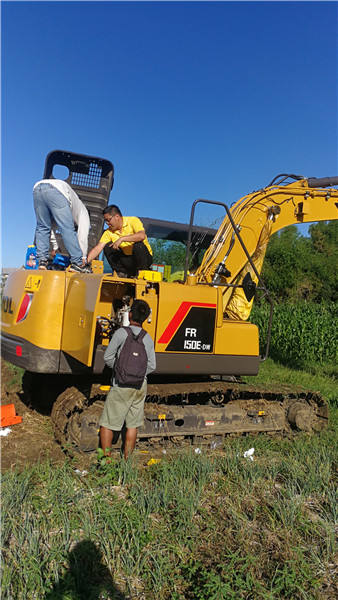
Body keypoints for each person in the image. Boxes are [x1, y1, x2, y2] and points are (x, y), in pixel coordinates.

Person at [99, 299, 156, 459]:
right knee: (132, 425)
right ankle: (128, 462)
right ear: (145, 319)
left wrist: (120, 370)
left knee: (108, 423)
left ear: (130, 314)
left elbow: (108, 357)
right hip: (139, 385)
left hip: (121, 383)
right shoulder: (147, 338)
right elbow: (152, 365)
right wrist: (138, 374)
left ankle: (106, 461)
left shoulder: (121, 333)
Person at [33, 179, 90, 273]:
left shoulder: (70, 208)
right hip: (57, 190)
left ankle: (42, 261)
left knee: (42, 227)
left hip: (37, 188)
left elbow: (50, 228)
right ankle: (77, 264)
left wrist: (55, 247)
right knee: (67, 228)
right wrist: (83, 257)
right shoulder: (84, 211)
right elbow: (82, 235)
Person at [87, 205, 153, 277]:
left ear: (117, 216)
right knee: (108, 246)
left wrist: (122, 239)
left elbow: (141, 236)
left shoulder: (133, 221)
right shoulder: (108, 232)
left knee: (139, 245)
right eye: (106, 221)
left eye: (108, 220)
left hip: (144, 259)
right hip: (128, 261)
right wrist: (85, 262)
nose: (107, 223)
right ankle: (121, 272)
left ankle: (142, 272)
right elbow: (98, 248)